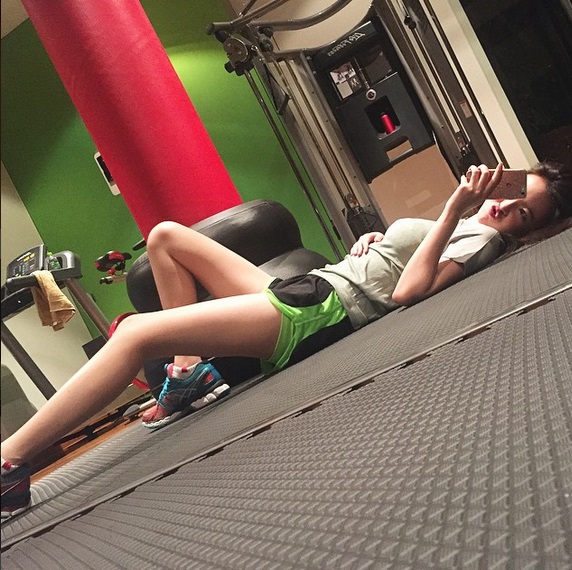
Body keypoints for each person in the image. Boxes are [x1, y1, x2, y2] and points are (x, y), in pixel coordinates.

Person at [1, 162, 571, 520]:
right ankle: (187, 374)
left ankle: (11, 463)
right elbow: (402, 266)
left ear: (527, 231)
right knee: (166, 238)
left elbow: (408, 293)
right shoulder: (472, 225)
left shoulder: (482, 240)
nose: (506, 206)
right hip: (316, 286)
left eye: (522, 214)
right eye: (516, 192)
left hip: (320, 313)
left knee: (135, 333)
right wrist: (374, 244)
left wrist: (450, 210)